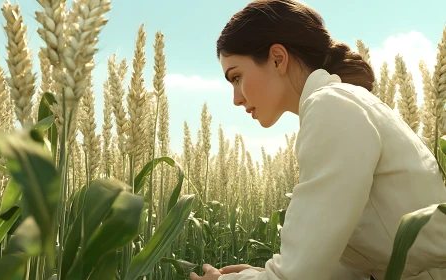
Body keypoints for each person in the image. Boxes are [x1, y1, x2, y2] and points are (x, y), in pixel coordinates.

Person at [188, 0, 446, 279]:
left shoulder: (331, 107)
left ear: (277, 58)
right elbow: (354, 263)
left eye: (236, 77)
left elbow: (297, 277)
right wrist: (263, 273)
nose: (236, 98)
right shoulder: (339, 102)